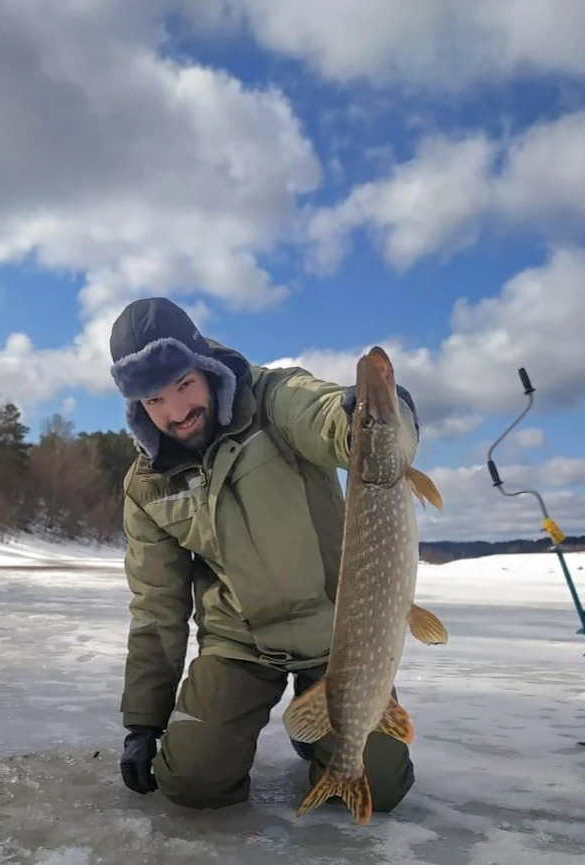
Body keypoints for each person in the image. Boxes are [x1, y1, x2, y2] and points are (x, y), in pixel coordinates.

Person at [109, 296, 422, 813]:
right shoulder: (147, 485)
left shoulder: (274, 398)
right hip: (240, 643)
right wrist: (143, 722)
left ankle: (315, 734)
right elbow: (156, 609)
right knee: (191, 783)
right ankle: (290, 730)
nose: (177, 412)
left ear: (206, 367)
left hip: (335, 636)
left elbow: (328, 419)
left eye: (184, 385)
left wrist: (368, 417)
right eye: (154, 400)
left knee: (380, 785)